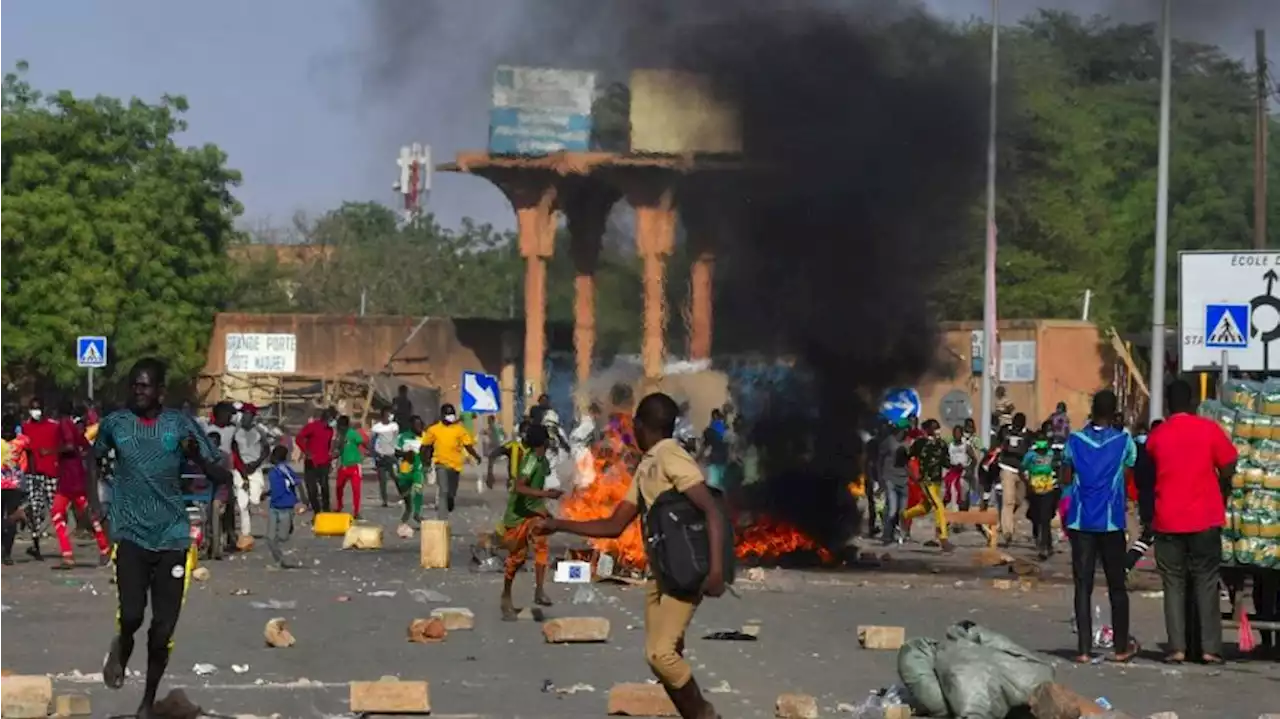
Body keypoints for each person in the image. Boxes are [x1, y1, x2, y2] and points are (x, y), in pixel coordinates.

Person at [535, 392, 726, 719]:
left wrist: (716, 570)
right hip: (661, 572)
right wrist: (558, 524)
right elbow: (614, 525)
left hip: (684, 569)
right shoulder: (648, 464)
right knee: (664, 656)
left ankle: (706, 714)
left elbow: (712, 509)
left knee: (661, 655)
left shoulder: (671, 456)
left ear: (640, 424)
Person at [95, 358, 229, 719]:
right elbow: (94, 461)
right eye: (134, 386)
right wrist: (101, 509)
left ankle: (146, 702)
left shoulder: (179, 425)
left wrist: (199, 459)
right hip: (131, 535)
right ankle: (122, 645)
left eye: (145, 386)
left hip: (172, 536)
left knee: (162, 629)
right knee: (134, 616)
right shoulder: (115, 425)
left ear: (160, 391)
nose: (139, 391)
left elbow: (218, 469)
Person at [1145, 379, 1237, 665]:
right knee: (1206, 581)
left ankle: (1177, 648)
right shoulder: (1209, 430)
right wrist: (1221, 486)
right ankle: (1210, 648)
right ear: (1194, 403)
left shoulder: (1158, 436)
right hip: (1205, 518)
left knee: (1173, 584)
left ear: (1169, 406)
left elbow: (1146, 475)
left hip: (1168, 519)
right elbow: (1230, 462)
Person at [1060, 389, 1138, 664]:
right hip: (1111, 522)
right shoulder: (1124, 441)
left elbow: (1067, 475)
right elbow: (1128, 472)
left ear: (1092, 411)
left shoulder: (1075, 440)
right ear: (1114, 411)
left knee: (1083, 585)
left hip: (1081, 522)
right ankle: (1120, 648)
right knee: (1117, 585)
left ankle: (1082, 649)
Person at [500, 424, 562, 619]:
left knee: (542, 544)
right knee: (516, 558)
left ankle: (539, 590)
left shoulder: (542, 461)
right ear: (543, 442)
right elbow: (519, 488)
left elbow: (535, 496)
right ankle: (506, 594)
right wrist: (547, 495)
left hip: (533, 512)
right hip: (517, 515)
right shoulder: (531, 460)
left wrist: (544, 510)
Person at [52, 398, 110, 569]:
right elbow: (85, 445)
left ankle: (67, 554)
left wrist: (50, 451)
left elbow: (69, 446)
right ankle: (104, 548)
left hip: (67, 479)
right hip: (78, 478)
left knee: (57, 514)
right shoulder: (73, 425)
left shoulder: (63, 424)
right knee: (90, 514)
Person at [421, 404, 481, 521]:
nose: (451, 416)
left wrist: (476, 456)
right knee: (443, 490)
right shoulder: (434, 430)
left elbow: (467, 445)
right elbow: (425, 446)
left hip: (455, 466)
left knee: (450, 493)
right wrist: (425, 461)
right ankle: (442, 520)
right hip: (441, 464)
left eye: (452, 414)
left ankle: (451, 499)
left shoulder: (459, 430)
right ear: (442, 415)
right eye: (448, 414)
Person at [902, 419, 954, 552]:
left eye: (938, 427)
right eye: (934, 428)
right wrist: (912, 475)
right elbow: (906, 458)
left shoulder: (942, 444)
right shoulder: (920, 443)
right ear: (927, 430)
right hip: (926, 480)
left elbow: (946, 462)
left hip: (937, 480)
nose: (937, 430)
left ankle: (904, 515)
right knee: (939, 506)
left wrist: (956, 466)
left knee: (925, 507)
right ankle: (943, 537)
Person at [21, 397, 59, 561]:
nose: (35, 411)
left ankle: (64, 545)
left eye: (37, 408)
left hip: (51, 472)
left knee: (55, 508)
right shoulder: (25, 427)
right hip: (33, 473)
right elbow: (26, 450)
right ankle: (35, 543)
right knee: (35, 508)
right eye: (32, 408)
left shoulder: (54, 426)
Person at [261, 445, 305, 568]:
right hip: (274, 507)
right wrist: (267, 494)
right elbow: (278, 487)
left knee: (283, 536)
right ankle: (279, 561)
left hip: (286, 507)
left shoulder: (286, 470)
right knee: (270, 538)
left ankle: (289, 526)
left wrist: (302, 501)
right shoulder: (272, 472)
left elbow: (297, 482)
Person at [231, 404, 270, 543]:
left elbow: (266, 449)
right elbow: (234, 450)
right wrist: (242, 467)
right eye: (244, 414)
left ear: (253, 417)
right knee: (242, 504)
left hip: (255, 469)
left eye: (249, 414)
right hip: (240, 469)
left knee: (255, 499)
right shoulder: (235, 432)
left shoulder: (259, 431)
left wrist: (257, 462)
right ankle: (245, 533)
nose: (246, 417)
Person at [995, 412, 1031, 546]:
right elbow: (998, 444)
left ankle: (1005, 520)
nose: (1016, 426)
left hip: (1021, 471)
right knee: (1008, 501)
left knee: (1019, 500)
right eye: (1015, 423)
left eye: (1019, 424)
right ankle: (1007, 532)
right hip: (1007, 469)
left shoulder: (1028, 435)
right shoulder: (1005, 431)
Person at [1021, 437, 1059, 561]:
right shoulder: (1030, 455)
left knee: (1045, 518)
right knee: (1036, 517)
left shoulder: (1052, 454)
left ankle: (1045, 547)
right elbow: (1022, 469)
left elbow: (1058, 466)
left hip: (1049, 490)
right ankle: (1042, 540)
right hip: (1034, 490)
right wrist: (1027, 483)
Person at [295, 408, 336, 513]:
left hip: (324, 463)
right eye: (333, 419)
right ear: (328, 418)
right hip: (311, 463)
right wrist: (306, 451)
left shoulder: (330, 430)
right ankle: (317, 512)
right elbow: (299, 438)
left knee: (325, 489)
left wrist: (330, 462)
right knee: (312, 490)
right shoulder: (312, 427)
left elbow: (327, 447)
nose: (334, 421)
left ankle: (326, 511)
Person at [0, 415, 28, 566]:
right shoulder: (21, 441)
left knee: (11, 520)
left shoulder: (21, 442)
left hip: (13, 486)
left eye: (9, 429)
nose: (6, 432)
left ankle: (7, 552)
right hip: (7, 486)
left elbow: (30, 455)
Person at [879, 424, 910, 545]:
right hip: (890, 478)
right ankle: (887, 535)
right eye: (904, 429)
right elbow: (880, 458)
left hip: (904, 480)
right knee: (892, 508)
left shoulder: (908, 443)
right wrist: (880, 475)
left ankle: (900, 534)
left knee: (902, 511)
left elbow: (908, 463)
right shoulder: (889, 442)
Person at [395, 416, 426, 528]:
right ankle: (408, 511)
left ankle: (417, 513)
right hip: (405, 469)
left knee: (418, 489)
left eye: (420, 424)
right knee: (405, 493)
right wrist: (405, 454)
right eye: (416, 425)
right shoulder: (402, 437)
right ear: (411, 425)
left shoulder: (425, 436)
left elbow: (430, 451)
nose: (419, 427)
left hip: (419, 468)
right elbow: (396, 452)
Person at [333, 416, 366, 519]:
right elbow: (336, 449)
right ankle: (339, 505)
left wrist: (367, 453)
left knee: (356, 490)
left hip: (355, 465)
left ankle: (356, 512)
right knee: (339, 487)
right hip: (343, 465)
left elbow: (362, 441)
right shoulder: (339, 436)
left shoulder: (352, 433)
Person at [371, 408, 400, 508]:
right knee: (382, 480)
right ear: (383, 416)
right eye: (388, 415)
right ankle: (384, 500)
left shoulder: (394, 426)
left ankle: (404, 496)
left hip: (391, 456)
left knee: (397, 477)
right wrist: (374, 456)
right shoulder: (376, 427)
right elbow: (373, 441)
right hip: (381, 456)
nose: (390, 417)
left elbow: (396, 439)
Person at [945, 424, 976, 510]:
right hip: (954, 471)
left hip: (963, 472)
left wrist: (970, 469)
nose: (957, 434)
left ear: (962, 434)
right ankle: (955, 513)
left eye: (959, 433)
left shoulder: (966, 445)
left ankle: (964, 510)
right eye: (955, 433)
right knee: (952, 491)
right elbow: (947, 458)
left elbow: (974, 459)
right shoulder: (950, 446)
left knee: (963, 493)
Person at [699, 409, 730, 493]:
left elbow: (704, 445)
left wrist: (698, 457)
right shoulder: (722, 429)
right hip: (719, 459)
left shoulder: (715, 429)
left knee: (715, 484)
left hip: (718, 459)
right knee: (718, 484)